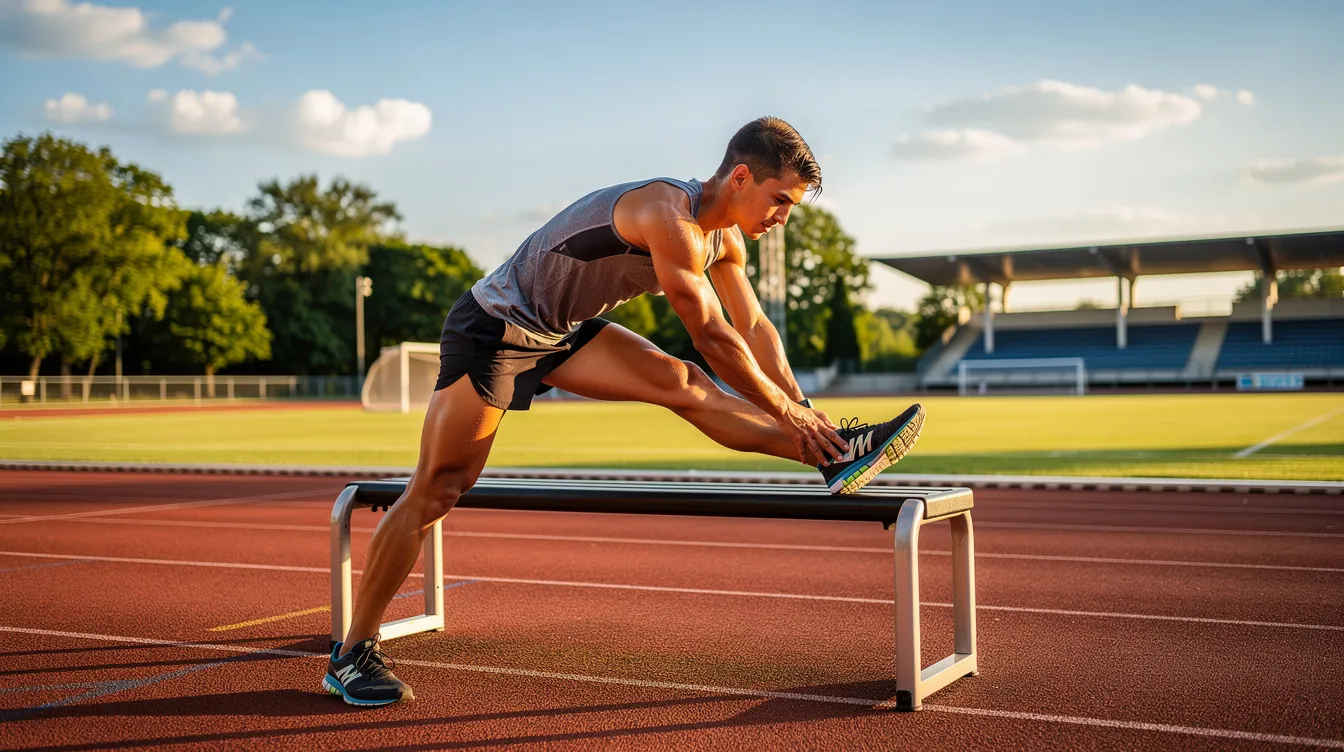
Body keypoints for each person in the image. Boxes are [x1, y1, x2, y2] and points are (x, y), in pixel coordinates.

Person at [323, 116, 926, 706]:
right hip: (498, 325)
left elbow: (754, 327)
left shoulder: (726, 240)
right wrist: (786, 412)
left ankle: (833, 453)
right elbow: (712, 334)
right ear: (741, 177)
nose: (782, 218)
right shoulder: (670, 216)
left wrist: (804, 409)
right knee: (439, 486)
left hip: (563, 332)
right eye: (779, 200)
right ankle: (352, 653)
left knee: (683, 383)